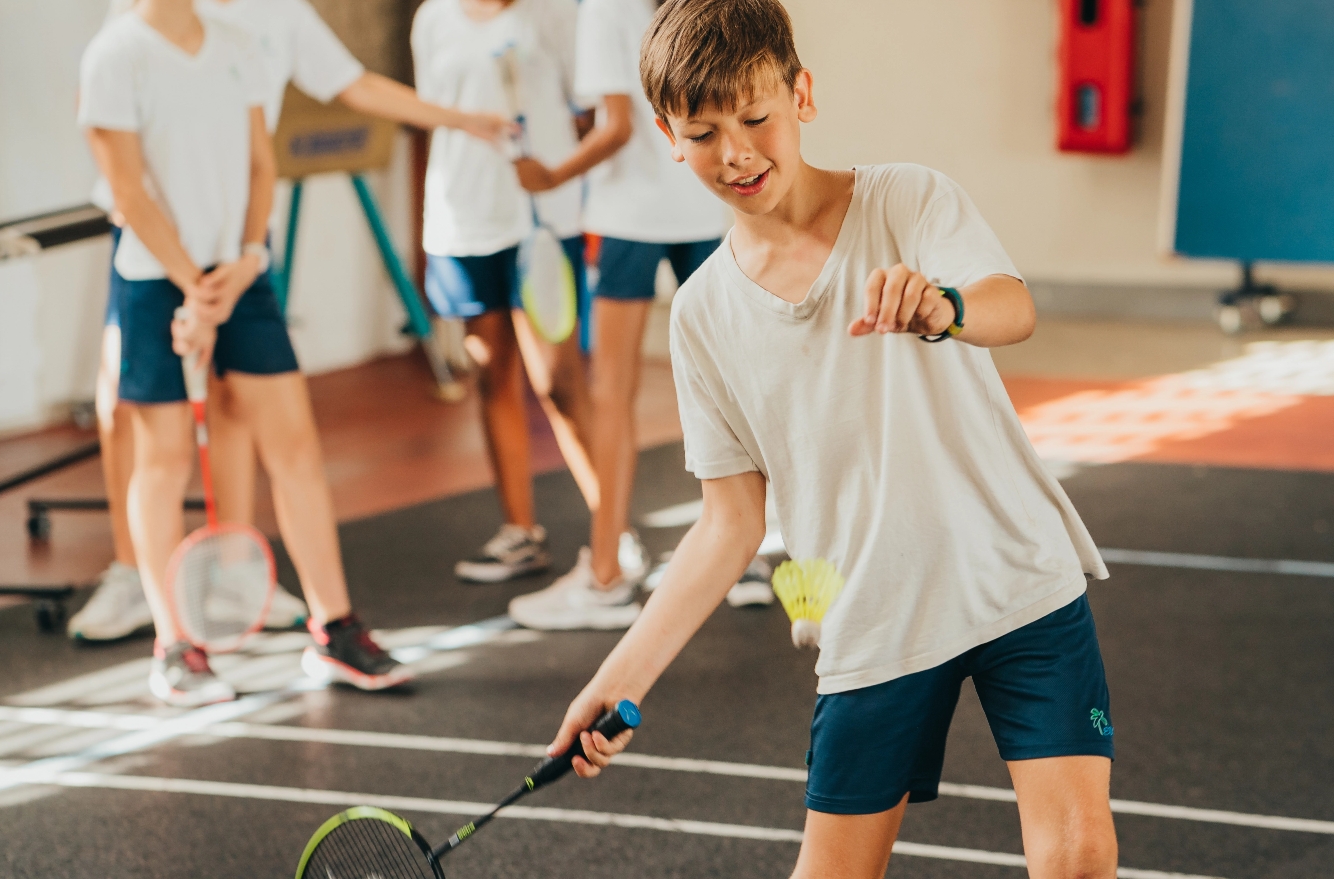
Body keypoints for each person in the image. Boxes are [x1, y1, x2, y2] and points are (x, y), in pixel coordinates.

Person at [545, 2, 1120, 877]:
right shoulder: (702, 314)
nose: (735, 153)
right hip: (874, 621)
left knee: (1078, 853)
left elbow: (1012, 305)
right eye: (702, 133)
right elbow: (729, 522)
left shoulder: (908, 199)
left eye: (755, 117)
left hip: (1017, 580)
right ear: (667, 137)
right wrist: (619, 676)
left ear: (801, 94)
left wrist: (946, 307)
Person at [69, 0, 512, 644]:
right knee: (131, 420)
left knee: (244, 413)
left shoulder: (265, 23)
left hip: (239, 250)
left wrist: (461, 120)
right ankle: (137, 579)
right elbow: (122, 165)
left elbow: (352, 87)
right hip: (154, 249)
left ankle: (238, 573)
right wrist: (189, 282)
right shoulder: (133, 34)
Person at [79, 0, 411, 705]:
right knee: (163, 458)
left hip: (241, 275)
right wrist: (193, 290)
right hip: (156, 281)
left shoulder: (238, 45)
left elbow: (262, 165)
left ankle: (334, 629)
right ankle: (175, 646)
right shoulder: (114, 55)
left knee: (296, 449)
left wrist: (247, 259)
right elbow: (127, 192)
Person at [499, 0, 730, 630]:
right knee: (734, 387)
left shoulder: (605, 7)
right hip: (702, 207)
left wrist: (553, 176)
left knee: (612, 394)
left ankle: (604, 576)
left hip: (630, 218)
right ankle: (754, 561)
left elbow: (618, 127)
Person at [410, 0, 617, 594]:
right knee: (491, 375)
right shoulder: (433, 18)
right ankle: (520, 532)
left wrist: (562, 178)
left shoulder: (550, 12)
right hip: (463, 220)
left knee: (559, 383)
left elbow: (589, 111)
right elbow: (432, 115)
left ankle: (615, 537)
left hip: (542, 221)